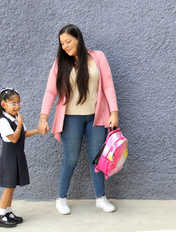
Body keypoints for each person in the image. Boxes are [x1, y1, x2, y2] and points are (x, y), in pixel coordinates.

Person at [37, 24, 119, 215]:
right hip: (71, 119)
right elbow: (51, 91)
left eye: (68, 41)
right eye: (62, 43)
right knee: (71, 158)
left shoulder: (98, 57)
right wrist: (43, 117)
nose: (65, 46)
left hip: (96, 118)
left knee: (97, 159)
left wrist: (114, 112)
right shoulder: (60, 63)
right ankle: (61, 198)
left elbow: (108, 86)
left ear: (78, 39)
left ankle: (100, 198)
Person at [0, 88, 38, 228]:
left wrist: (38, 130)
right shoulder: (3, 121)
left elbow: (23, 134)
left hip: (18, 156)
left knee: (12, 187)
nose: (17, 106)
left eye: (18, 103)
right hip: (9, 157)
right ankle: (1, 215)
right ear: (3, 105)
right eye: (13, 104)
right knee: (8, 187)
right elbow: (14, 138)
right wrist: (19, 123)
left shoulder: (14, 118)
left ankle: (8, 212)